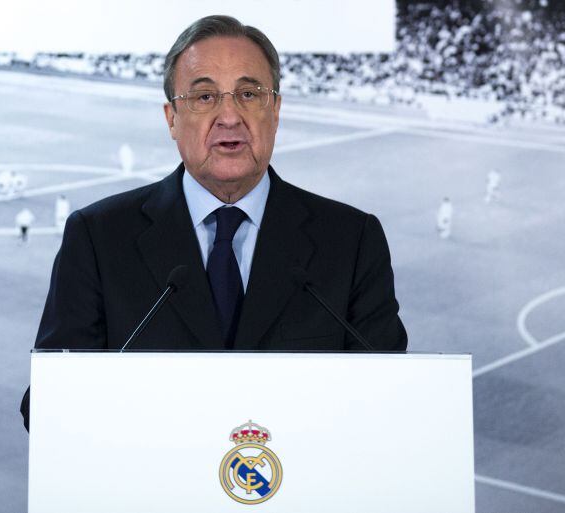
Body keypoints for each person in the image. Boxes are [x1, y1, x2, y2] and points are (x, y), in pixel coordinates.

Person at [20, 15, 407, 431]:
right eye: (204, 97)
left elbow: (389, 401)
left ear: (275, 110)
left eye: (248, 94)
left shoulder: (351, 241)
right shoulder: (98, 238)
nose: (229, 116)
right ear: (171, 118)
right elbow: (48, 405)